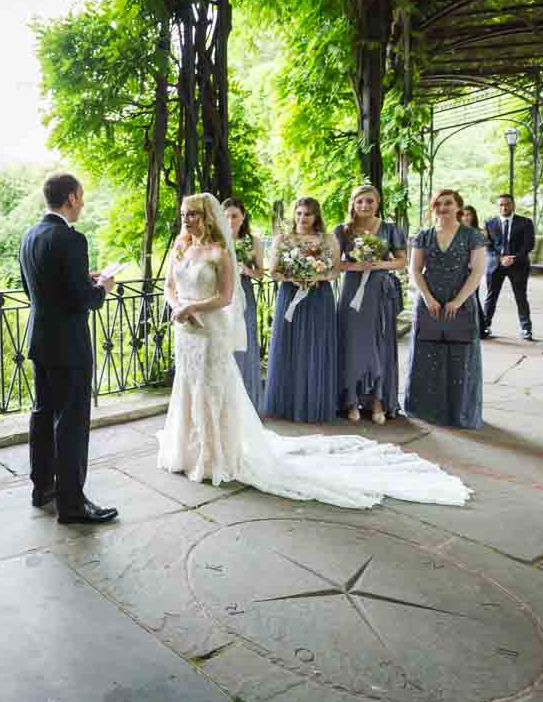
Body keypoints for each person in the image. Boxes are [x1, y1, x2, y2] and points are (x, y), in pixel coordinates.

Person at [155, 192, 470, 509]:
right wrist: (178, 306)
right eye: (184, 213)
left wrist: (191, 307)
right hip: (187, 332)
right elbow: (170, 286)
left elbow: (225, 298)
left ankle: (214, 454)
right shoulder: (181, 247)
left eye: (193, 213)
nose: (186, 219)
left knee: (213, 389)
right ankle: (186, 449)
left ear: (207, 217)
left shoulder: (220, 251)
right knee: (187, 387)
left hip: (210, 330)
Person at [18, 172, 118, 524]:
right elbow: (83, 301)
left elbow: (39, 291)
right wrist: (103, 286)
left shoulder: (30, 236)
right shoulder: (72, 239)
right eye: (82, 196)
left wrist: (81, 280)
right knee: (72, 423)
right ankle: (72, 504)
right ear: (72, 198)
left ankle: (42, 488)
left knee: (43, 416)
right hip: (70, 346)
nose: (84, 203)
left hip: (40, 340)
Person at [405, 189, 487, 429]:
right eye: (438, 204)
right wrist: (428, 298)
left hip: (460, 302)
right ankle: (426, 410)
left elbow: (478, 271)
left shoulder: (472, 236)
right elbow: (415, 270)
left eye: (448, 203)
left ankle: (458, 412)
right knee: (427, 355)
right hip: (429, 302)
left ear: (458, 207)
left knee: (460, 357)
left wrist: (458, 301)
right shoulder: (424, 236)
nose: (442, 208)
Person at [260, 197, 341, 423]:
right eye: (299, 213)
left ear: (316, 216)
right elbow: (274, 272)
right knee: (290, 346)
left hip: (319, 297)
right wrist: (294, 277)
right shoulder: (283, 240)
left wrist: (314, 276)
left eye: (307, 214)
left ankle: (315, 402)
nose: (302, 218)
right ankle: (287, 404)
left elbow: (336, 271)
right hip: (290, 296)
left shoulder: (328, 239)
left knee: (316, 346)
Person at [333, 185, 406, 425]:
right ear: (352, 204)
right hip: (353, 291)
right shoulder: (343, 230)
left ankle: (378, 401)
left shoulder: (390, 229)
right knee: (352, 344)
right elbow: (333, 264)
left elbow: (401, 262)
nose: (364, 205)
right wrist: (356, 265)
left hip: (378, 291)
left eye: (369, 201)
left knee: (379, 344)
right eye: (360, 201)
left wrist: (376, 264)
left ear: (378, 203)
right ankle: (352, 400)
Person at [222, 197, 264, 409]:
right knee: (225, 342)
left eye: (234, 216)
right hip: (223, 296)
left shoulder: (252, 241)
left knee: (244, 341)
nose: (230, 220)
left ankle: (247, 401)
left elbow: (260, 274)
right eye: (226, 216)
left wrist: (246, 270)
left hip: (245, 294)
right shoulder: (217, 241)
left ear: (243, 217)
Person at [481, 193, 535, 340]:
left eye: (507, 204)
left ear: (513, 205)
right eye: (501, 205)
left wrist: (514, 258)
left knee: (521, 297)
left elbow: (529, 245)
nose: (504, 207)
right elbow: (488, 246)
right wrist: (500, 258)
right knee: (491, 296)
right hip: (495, 265)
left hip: (518, 265)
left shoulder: (525, 222)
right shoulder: (489, 223)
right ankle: (485, 326)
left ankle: (526, 328)